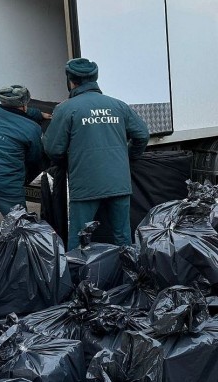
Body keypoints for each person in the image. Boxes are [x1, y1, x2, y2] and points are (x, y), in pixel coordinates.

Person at [43, 58, 149, 250]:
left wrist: (68, 162)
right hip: (118, 182)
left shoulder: (66, 109)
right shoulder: (119, 106)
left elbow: (53, 149)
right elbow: (142, 135)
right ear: (96, 78)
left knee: (79, 238)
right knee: (123, 237)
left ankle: (77, 277)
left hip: (85, 184)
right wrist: (128, 156)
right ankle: (128, 275)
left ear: (71, 81)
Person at [0, 85, 51, 225]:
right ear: (25, 104)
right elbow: (35, 159)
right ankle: (21, 247)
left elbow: (15, 111)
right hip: (6, 183)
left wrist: (38, 114)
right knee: (20, 226)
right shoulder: (32, 129)